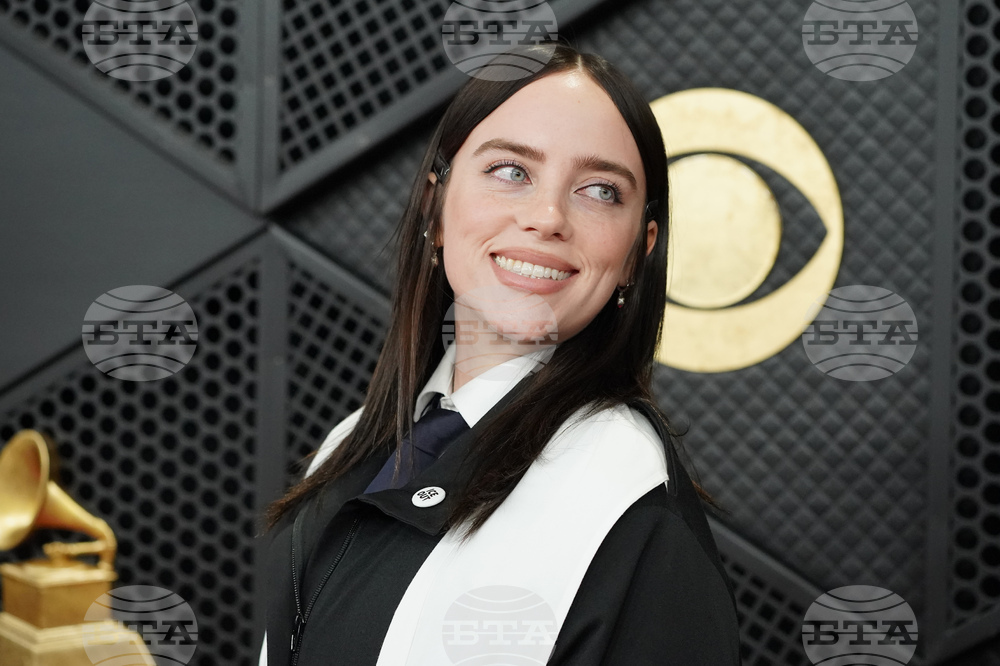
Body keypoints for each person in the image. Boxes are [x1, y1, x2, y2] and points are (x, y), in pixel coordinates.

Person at [260, 43, 741, 665]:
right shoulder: (349, 445)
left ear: (636, 253)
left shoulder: (629, 497)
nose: (547, 217)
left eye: (600, 190)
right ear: (435, 204)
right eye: (512, 171)